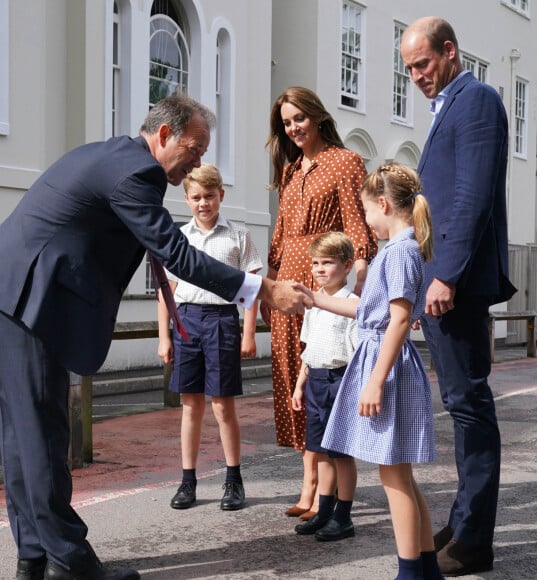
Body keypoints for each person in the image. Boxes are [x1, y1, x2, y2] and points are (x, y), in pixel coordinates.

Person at [0, 95, 307, 580]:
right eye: (195, 147)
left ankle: (36, 557)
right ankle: (70, 562)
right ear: (164, 136)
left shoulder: (111, 156)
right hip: (30, 302)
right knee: (39, 437)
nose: (200, 161)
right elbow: (177, 254)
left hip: (15, 297)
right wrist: (262, 288)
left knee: (22, 437)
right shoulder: (135, 173)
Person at [401, 17, 517, 576]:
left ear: (450, 51)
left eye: (423, 63)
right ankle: (463, 521)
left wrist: (443, 275)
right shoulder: (452, 104)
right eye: (409, 69)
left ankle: (473, 539)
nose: (416, 76)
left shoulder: (477, 100)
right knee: (462, 406)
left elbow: (470, 197)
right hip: (447, 280)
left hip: (457, 283)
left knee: (470, 408)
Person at [299, 163, 443, 580]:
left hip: (386, 365)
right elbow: (369, 311)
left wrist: (376, 380)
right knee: (402, 477)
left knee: (394, 477)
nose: (366, 221)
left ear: (383, 204)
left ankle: (409, 572)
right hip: (385, 358)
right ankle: (427, 568)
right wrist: (316, 299)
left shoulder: (398, 253)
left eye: (366, 213)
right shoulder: (400, 250)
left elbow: (397, 320)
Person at [262, 86, 377, 520]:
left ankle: (320, 487)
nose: (293, 128)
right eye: (286, 123)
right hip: (287, 287)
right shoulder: (290, 171)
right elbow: (278, 236)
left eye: (299, 119)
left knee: (323, 380)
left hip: (323, 284)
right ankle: (308, 479)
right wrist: (269, 287)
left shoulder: (345, 162)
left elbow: (357, 225)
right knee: (295, 382)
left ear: (317, 115)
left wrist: (361, 276)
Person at [157, 163, 262, 513]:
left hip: (221, 321)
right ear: (186, 198)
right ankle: (188, 480)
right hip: (187, 320)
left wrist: (249, 333)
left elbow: (251, 289)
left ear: (221, 195)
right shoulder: (180, 237)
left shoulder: (238, 235)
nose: (204, 203)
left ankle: (233, 479)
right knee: (191, 405)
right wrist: (164, 337)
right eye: (196, 197)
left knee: (222, 405)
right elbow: (166, 293)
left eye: (210, 196)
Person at [290, 232, 358, 542]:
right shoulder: (313, 303)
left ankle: (343, 517)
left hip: (340, 381)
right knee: (320, 453)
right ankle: (324, 511)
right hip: (316, 380)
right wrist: (300, 386)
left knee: (340, 454)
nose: (319, 269)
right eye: (315, 262)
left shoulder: (352, 304)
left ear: (346, 266)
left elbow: (357, 352)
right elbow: (309, 349)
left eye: (327, 263)